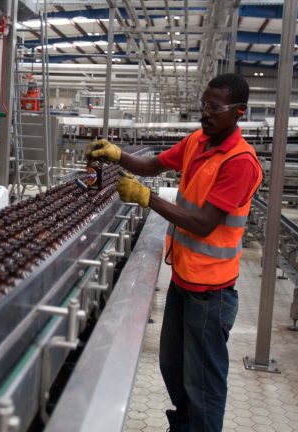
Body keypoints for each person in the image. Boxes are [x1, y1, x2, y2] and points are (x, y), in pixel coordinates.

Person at [86, 73, 263, 432]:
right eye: (204, 104)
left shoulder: (240, 162)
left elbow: (202, 224)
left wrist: (147, 197)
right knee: (175, 369)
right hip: (184, 282)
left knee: (204, 387)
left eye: (215, 108)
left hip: (211, 294)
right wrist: (119, 155)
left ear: (239, 112)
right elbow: (155, 165)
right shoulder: (199, 141)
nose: (205, 113)